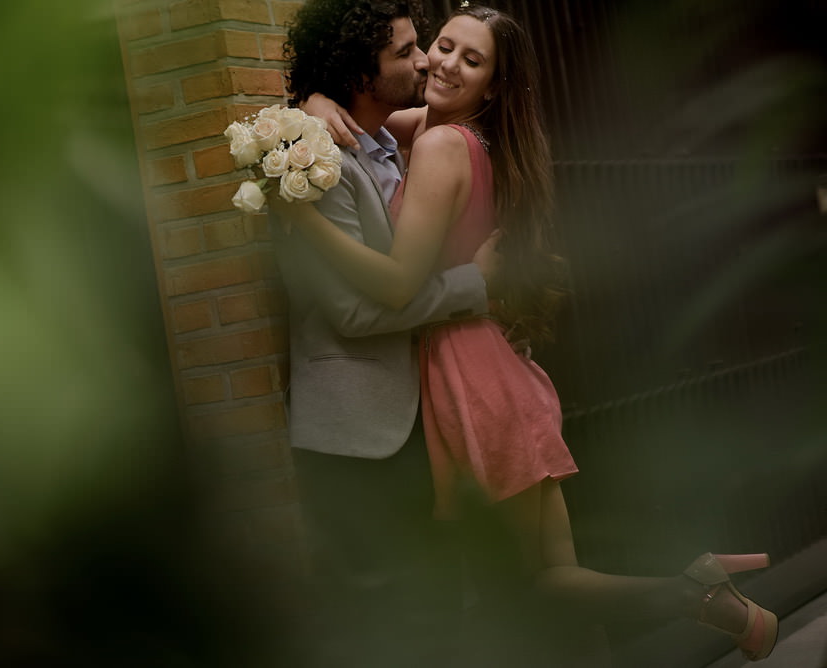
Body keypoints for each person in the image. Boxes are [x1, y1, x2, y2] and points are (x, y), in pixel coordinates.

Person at [276, 4, 778, 663]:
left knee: (520, 585)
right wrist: (315, 98)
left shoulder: (436, 144)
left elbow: (398, 285)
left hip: (467, 377)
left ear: (495, 85)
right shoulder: (442, 130)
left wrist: (304, 223)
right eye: (440, 45)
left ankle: (696, 596)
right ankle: (701, 591)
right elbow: (363, 113)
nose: (441, 62)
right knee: (549, 575)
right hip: (497, 368)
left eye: (471, 59)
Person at [271, 1, 510, 665]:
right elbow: (350, 313)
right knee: (385, 622)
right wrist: (470, 290)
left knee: (435, 609)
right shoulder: (313, 161)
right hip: (354, 435)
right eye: (406, 52)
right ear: (360, 71)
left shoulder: (392, 140)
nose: (426, 59)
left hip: (408, 419)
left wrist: (316, 97)